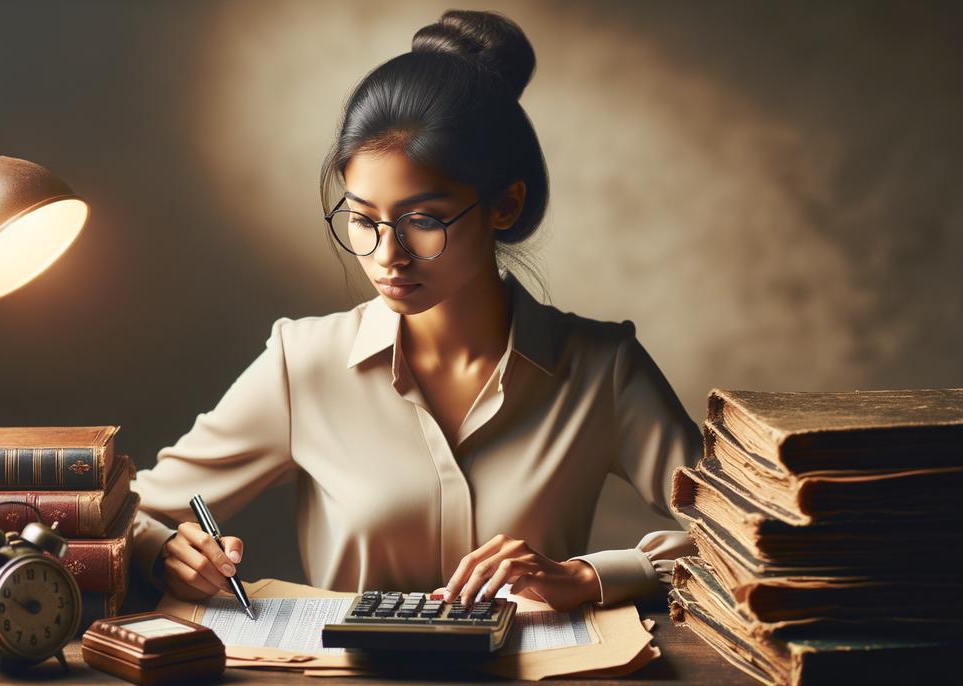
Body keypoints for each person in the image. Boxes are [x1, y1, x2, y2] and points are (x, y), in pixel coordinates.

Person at [130, 9, 701, 613]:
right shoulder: (304, 363)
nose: (387, 257)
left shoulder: (601, 370)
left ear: (504, 205)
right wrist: (167, 550)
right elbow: (128, 512)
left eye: (423, 221)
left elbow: (753, 540)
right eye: (362, 219)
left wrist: (589, 577)